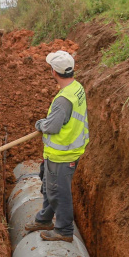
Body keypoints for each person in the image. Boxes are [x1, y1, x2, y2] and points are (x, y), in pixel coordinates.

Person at [25, 50, 90, 243]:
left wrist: (40, 124)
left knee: (58, 192)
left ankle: (64, 230)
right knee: (48, 185)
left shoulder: (63, 100)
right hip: (65, 150)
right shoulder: (76, 87)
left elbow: (52, 126)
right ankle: (45, 219)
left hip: (63, 154)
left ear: (54, 72)